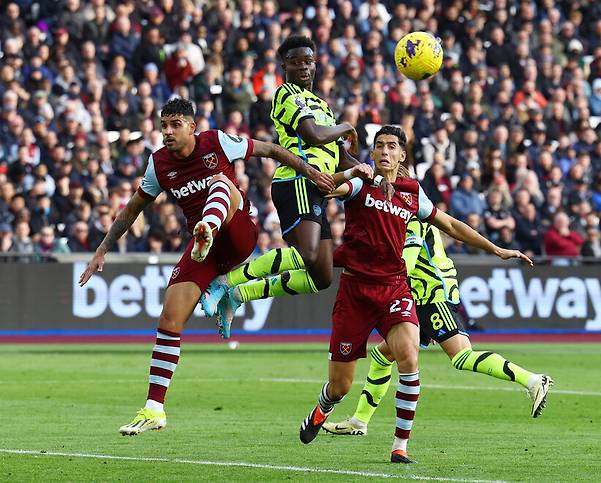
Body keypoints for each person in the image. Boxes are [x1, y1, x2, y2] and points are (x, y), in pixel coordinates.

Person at [78, 98, 333, 436]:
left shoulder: (216, 142)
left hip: (237, 231)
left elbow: (271, 150)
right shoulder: (159, 164)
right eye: (163, 125)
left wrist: (310, 171)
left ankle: (206, 230)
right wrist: (102, 248)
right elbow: (131, 210)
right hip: (207, 253)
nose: (167, 132)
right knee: (169, 317)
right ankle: (154, 409)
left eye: (175, 125)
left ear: (191, 126)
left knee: (221, 184)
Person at [297, 126, 533, 464]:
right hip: (356, 292)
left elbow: (450, 225)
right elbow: (329, 188)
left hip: (394, 288)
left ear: (402, 155)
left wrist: (496, 249)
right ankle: (322, 409)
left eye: (392, 147)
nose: (384, 152)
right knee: (340, 386)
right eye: (379, 146)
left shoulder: (412, 192)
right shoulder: (361, 183)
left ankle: (399, 446)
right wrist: (348, 171)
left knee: (408, 356)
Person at [201, 35, 385, 335]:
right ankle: (226, 281)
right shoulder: (286, 94)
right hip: (297, 180)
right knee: (308, 253)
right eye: (296, 61)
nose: (303, 66)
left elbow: (339, 155)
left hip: (319, 188)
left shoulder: (323, 105)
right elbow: (312, 134)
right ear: (284, 64)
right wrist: (346, 126)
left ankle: (239, 295)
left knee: (321, 276)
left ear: (316, 64)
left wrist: (372, 175)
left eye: (308, 61)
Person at [322, 215, 553, 439]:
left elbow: (407, 266)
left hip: (431, 295)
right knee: (383, 355)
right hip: (422, 296)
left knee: (461, 356)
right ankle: (359, 422)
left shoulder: (410, 219)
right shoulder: (407, 215)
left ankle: (533, 381)